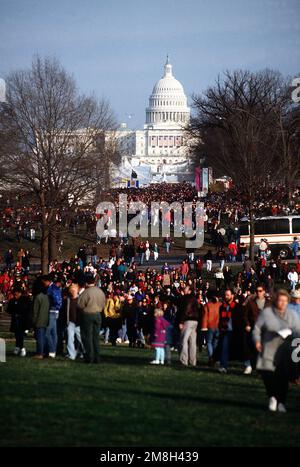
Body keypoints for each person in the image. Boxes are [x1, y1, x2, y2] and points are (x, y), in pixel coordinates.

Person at [254, 289, 300, 413]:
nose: (282, 303)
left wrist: (294, 337)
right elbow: (257, 328)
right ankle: (272, 397)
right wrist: (257, 341)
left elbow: (297, 330)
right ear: (276, 301)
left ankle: (281, 402)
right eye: (280, 300)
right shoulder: (267, 313)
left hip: (285, 349)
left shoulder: (292, 315)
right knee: (268, 375)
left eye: (285, 301)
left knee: (283, 377)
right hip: (269, 348)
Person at [242, 284, 271, 375]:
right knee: (253, 348)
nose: (258, 293)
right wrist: (247, 324)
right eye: (257, 291)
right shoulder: (251, 303)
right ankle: (252, 366)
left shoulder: (269, 303)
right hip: (254, 328)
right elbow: (245, 316)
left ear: (264, 292)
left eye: (260, 291)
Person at [78, 274, 106, 363]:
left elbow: (80, 305)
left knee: (87, 336)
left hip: (88, 314)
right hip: (98, 314)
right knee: (96, 337)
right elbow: (103, 304)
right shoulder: (100, 292)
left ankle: (89, 356)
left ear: (86, 283)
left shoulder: (86, 292)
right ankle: (97, 357)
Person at [177, 287, 201, 367]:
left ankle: (184, 361)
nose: (184, 290)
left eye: (185, 289)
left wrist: (181, 321)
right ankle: (193, 361)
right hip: (195, 321)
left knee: (183, 341)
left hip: (187, 320)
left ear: (189, 291)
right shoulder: (194, 299)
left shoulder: (186, 299)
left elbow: (186, 310)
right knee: (193, 342)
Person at [7, 286, 31, 357]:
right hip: (15, 319)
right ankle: (18, 347)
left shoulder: (25, 299)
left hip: (23, 320)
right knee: (17, 335)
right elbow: (9, 310)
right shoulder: (12, 300)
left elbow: (27, 310)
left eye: (17, 293)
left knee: (20, 335)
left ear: (20, 293)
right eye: (15, 294)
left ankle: (22, 348)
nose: (15, 295)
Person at [218, 289, 237, 374]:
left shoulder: (236, 306)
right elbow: (220, 319)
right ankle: (223, 366)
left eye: (228, 295)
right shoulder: (222, 306)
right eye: (225, 295)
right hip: (226, 330)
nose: (226, 297)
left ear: (232, 295)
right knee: (224, 348)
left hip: (235, 330)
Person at [32, 279, 50, 359]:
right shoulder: (46, 297)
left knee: (39, 338)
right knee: (44, 337)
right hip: (46, 319)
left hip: (39, 320)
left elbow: (35, 312)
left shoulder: (37, 297)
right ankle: (45, 352)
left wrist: (33, 321)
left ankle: (40, 353)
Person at [46, 275, 63, 358]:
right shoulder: (56, 289)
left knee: (48, 332)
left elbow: (56, 300)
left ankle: (52, 350)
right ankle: (53, 350)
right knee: (54, 332)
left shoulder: (52, 288)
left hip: (52, 310)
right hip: (56, 310)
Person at [65, 284, 84, 361]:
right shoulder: (68, 300)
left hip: (79, 323)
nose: (73, 292)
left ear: (77, 291)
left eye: (74, 290)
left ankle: (86, 353)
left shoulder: (80, 299)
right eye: (71, 290)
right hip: (71, 322)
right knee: (70, 338)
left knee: (82, 339)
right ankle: (72, 355)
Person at [201, 295, 221, 366]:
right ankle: (215, 358)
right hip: (218, 326)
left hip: (210, 326)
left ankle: (211, 357)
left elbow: (205, 316)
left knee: (209, 342)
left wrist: (203, 327)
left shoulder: (207, 305)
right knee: (215, 343)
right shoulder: (220, 305)